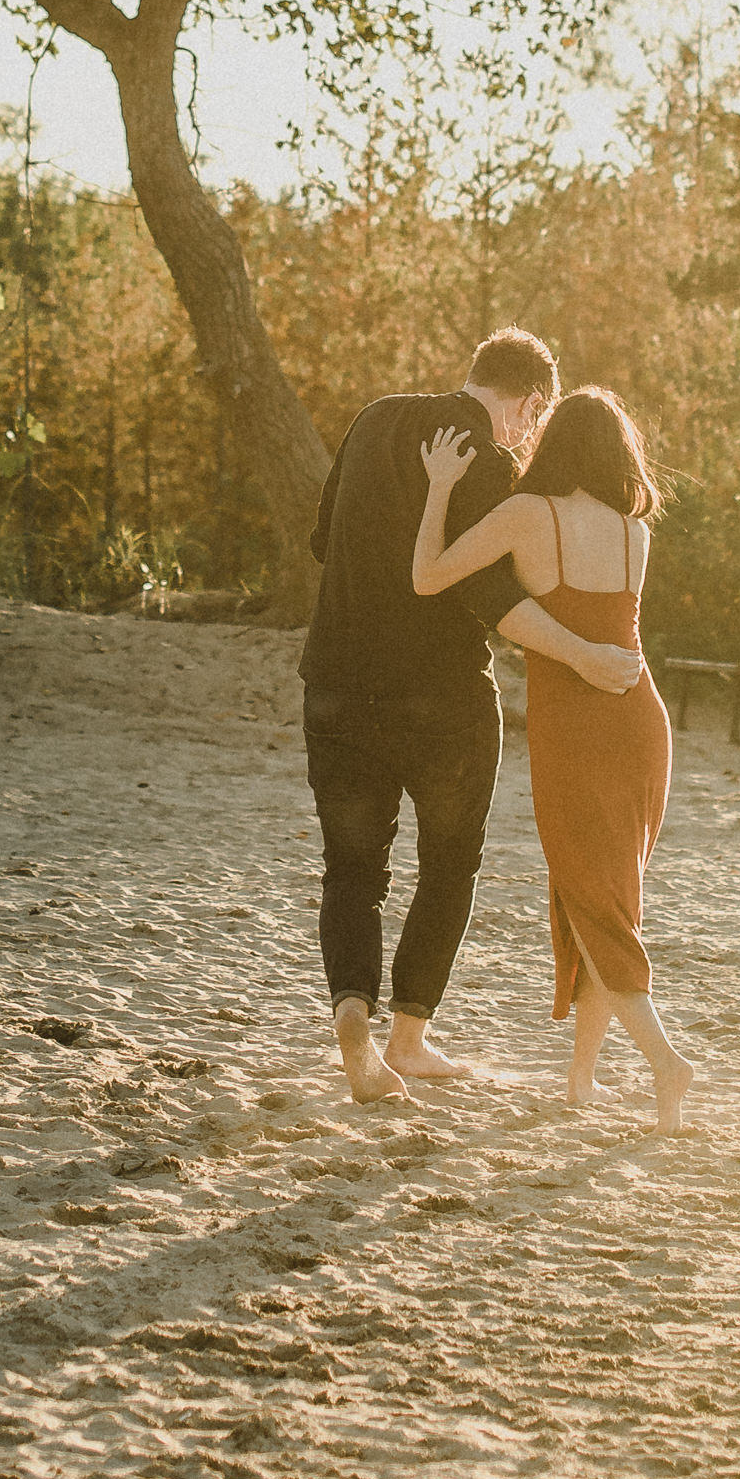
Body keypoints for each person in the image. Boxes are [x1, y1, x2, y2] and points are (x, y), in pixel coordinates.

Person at [300, 331, 646, 1107]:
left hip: (335, 684)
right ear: (528, 399)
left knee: (352, 870)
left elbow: (324, 540)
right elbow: (492, 599)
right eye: (535, 417)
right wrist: (585, 655)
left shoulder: (373, 416)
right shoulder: (488, 467)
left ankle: (352, 1019)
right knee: (449, 864)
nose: (529, 433)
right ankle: (410, 1037)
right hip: (441, 701)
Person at [412, 383, 693, 1133]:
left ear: (554, 444)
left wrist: (439, 488)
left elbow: (429, 574)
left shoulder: (527, 514)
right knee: (605, 896)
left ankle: (668, 1064)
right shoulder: (637, 531)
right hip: (641, 720)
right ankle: (580, 1081)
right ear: (618, 453)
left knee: (591, 896)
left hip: (576, 726)